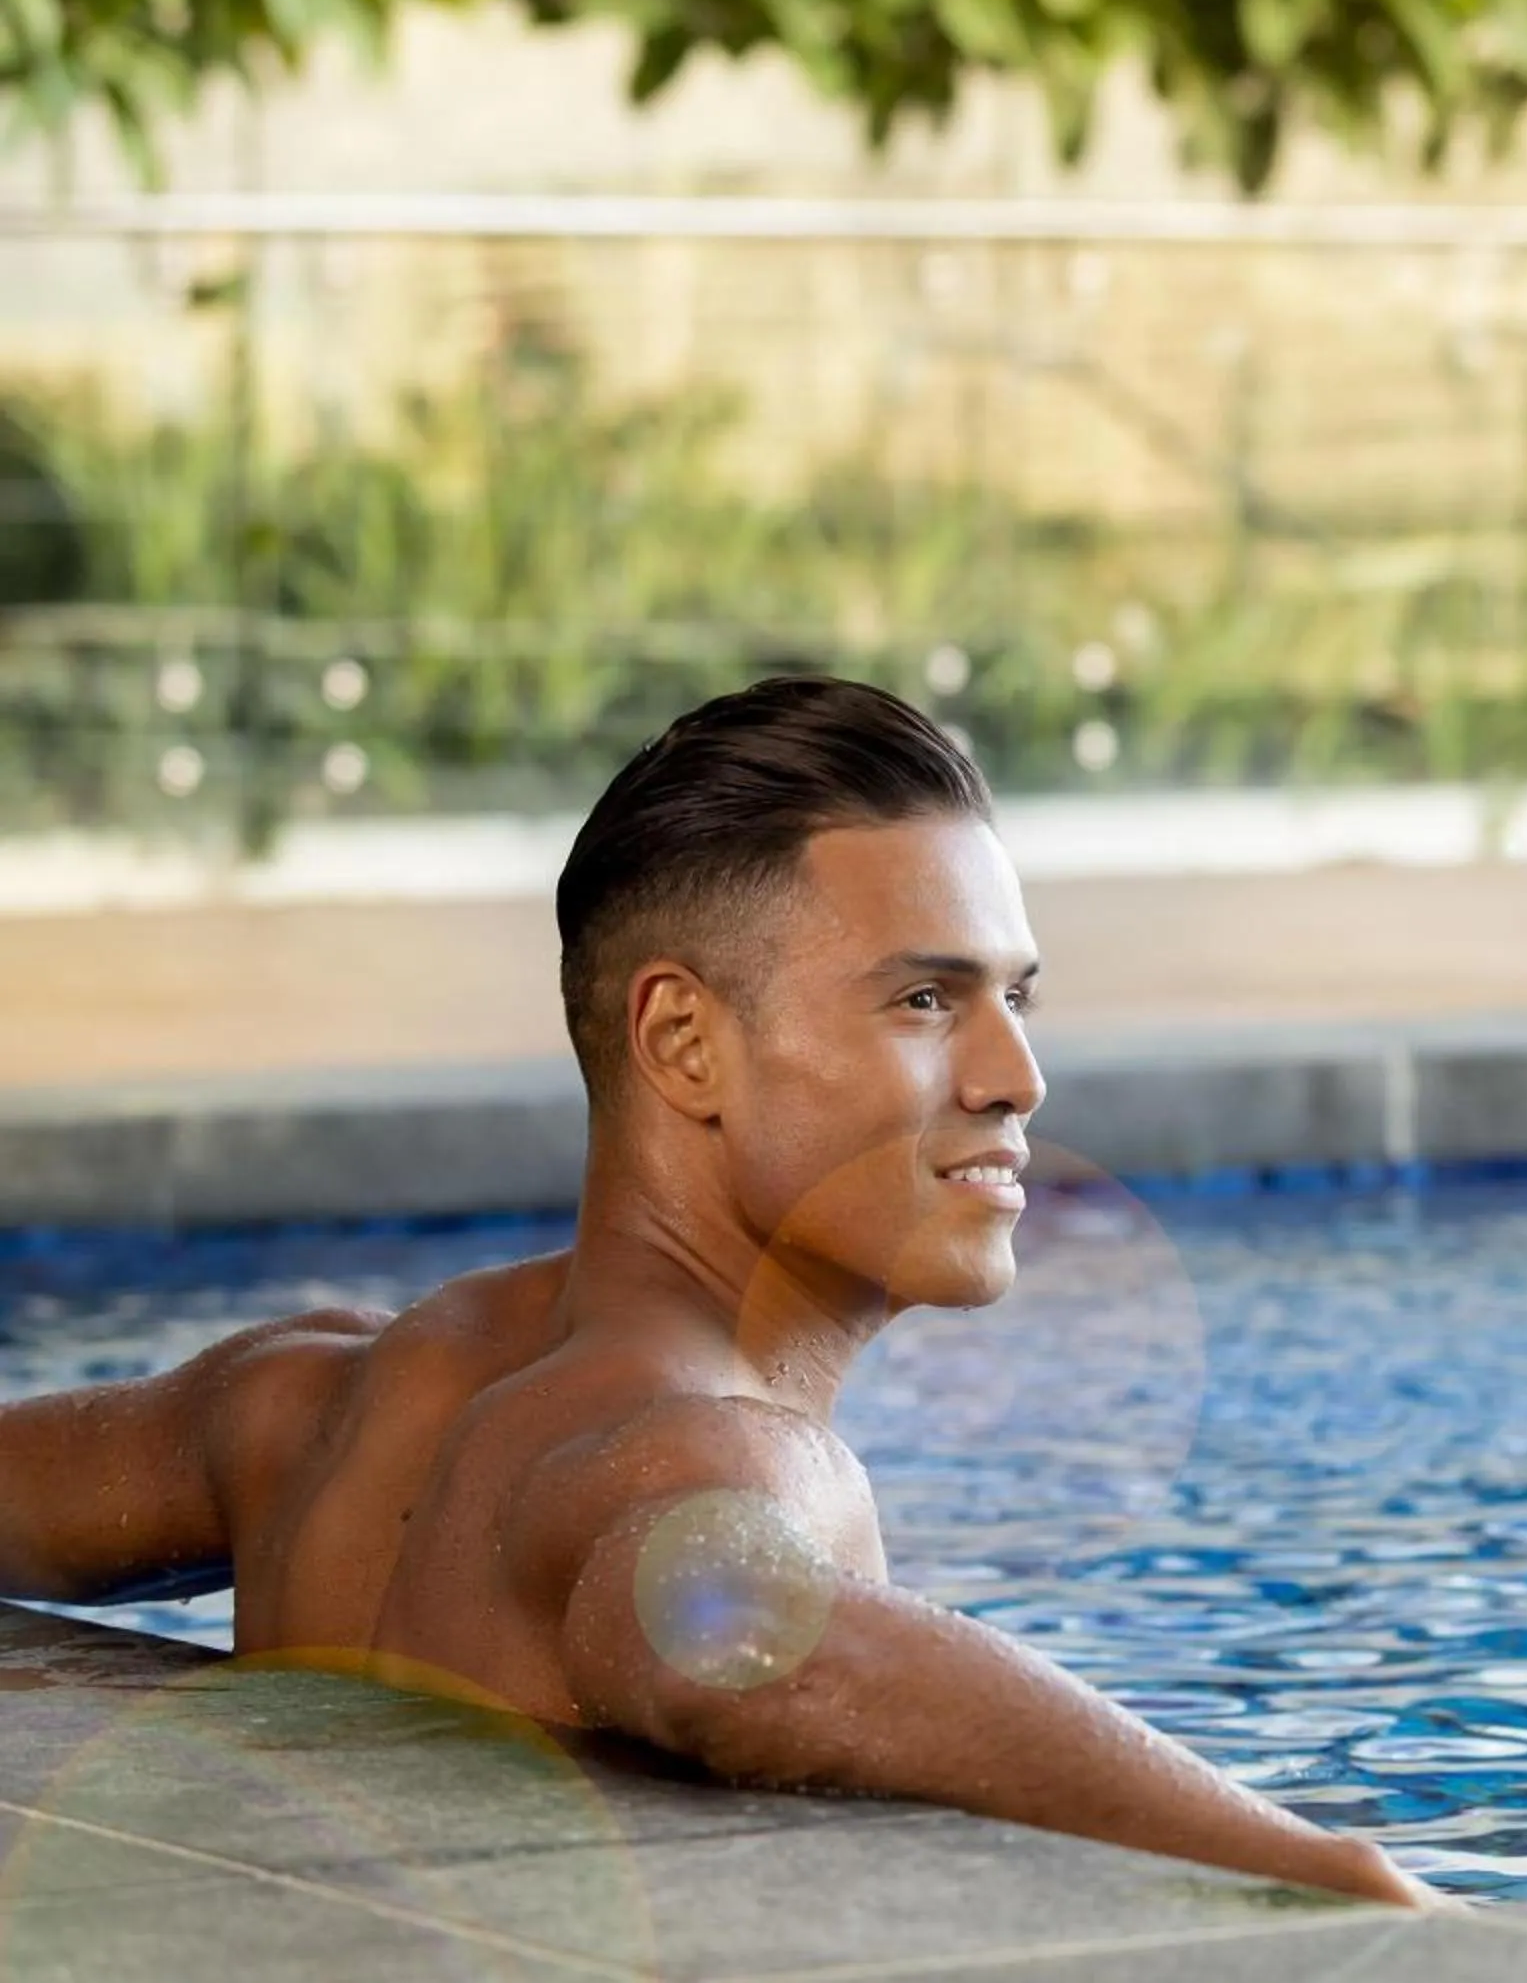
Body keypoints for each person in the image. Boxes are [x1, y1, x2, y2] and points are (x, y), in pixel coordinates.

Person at [0, 675, 1434, 1909]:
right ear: (684, 1043)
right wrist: (1327, 1868)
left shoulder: (306, 1398)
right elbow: (758, 1654)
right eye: (926, 1000)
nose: (1016, 1076)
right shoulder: (710, 1448)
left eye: (1018, 995)